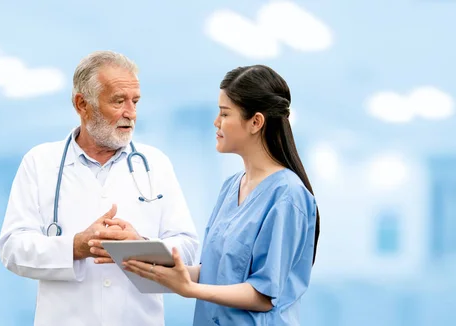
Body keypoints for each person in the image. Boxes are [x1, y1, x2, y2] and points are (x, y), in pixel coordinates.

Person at [0, 50, 199, 326]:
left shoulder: (156, 164)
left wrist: (140, 246)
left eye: (135, 101)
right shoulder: (39, 163)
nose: (131, 113)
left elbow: (187, 247)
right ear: (82, 104)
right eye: (119, 101)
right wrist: (75, 247)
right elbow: (13, 248)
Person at [123, 65, 320, 326]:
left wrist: (190, 289)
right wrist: (147, 259)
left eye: (224, 113)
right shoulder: (231, 187)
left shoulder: (288, 196)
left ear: (256, 122)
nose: (216, 122)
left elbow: (263, 294)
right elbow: (217, 274)